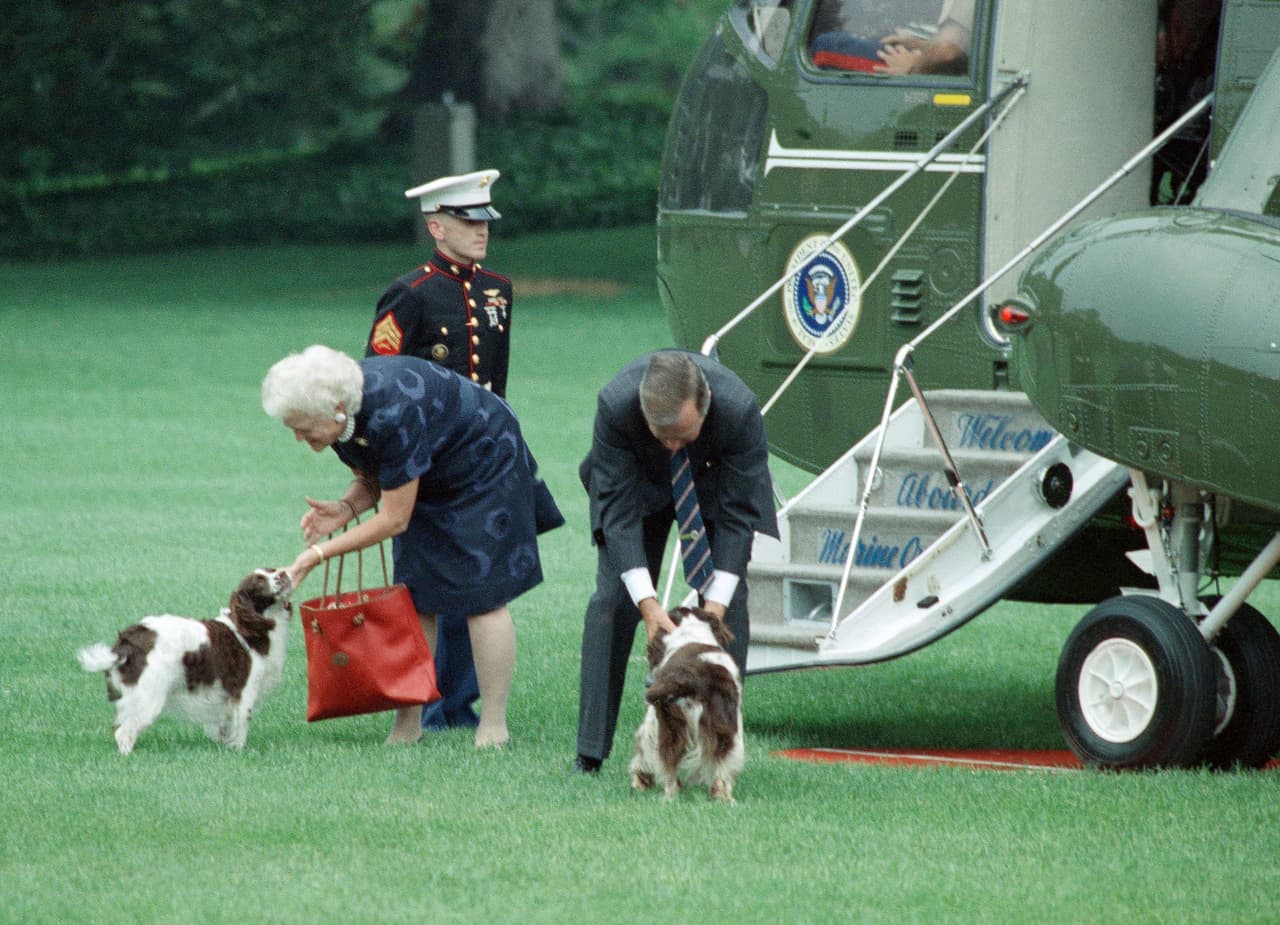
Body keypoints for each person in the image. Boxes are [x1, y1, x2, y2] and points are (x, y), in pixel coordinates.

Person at [263, 345, 564, 748]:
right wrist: (346, 508)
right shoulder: (339, 422)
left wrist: (317, 555)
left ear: (336, 409)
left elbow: (394, 518)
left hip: (483, 461)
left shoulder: (392, 410)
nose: (298, 437)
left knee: (482, 595)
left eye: (301, 427)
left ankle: (493, 727)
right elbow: (379, 476)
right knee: (415, 594)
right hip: (431, 468)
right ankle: (408, 726)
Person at [573, 351, 778, 774]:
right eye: (661, 434)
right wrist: (648, 606)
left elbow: (740, 518)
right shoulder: (615, 404)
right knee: (611, 602)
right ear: (644, 412)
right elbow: (617, 513)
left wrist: (714, 612)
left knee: (730, 611)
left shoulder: (739, 410)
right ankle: (589, 752)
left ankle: (721, 748)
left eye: (682, 435)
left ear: (704, 410)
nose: (671, 445)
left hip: (715, 489)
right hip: (636, 490)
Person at [366, 168, 513, 733]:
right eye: (467, 221)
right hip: (424, 462)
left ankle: (460, 704)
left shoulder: (497, 289)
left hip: (480, 464)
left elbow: (497, 385)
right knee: (424, 589)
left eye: (484, 221)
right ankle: (423, 707)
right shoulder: (411, 294)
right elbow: (377, 382)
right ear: (436, 226)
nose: (481, 231)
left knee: (476, 586)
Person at [811, 0, 974, 76]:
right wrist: (921, 45)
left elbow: (947, 51)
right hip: (934, 58)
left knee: (826, 47)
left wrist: (914, 68)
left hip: (930, 71)